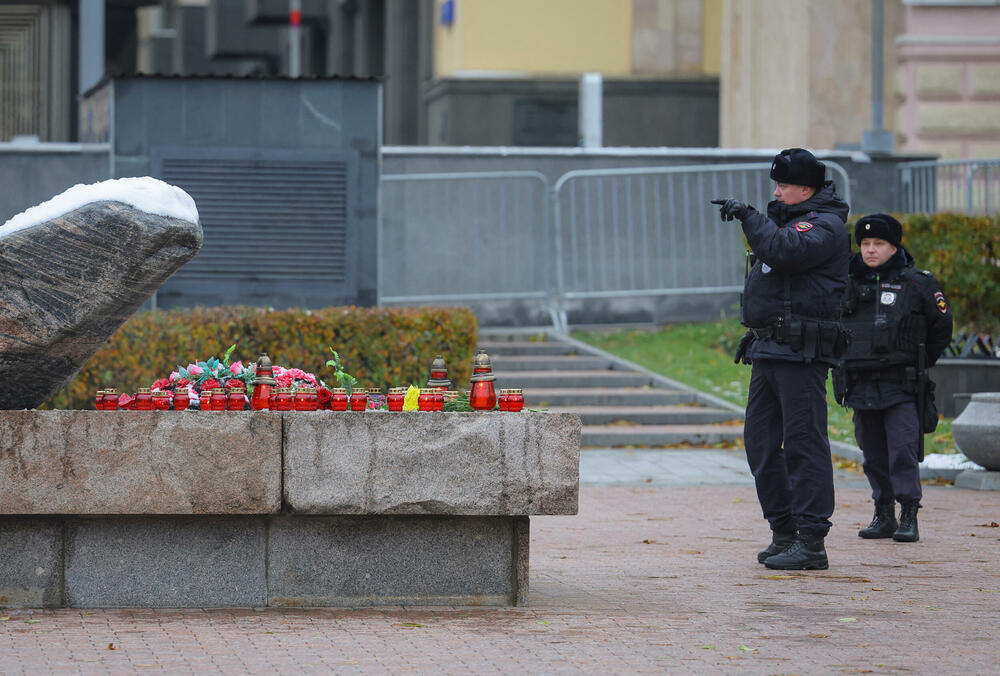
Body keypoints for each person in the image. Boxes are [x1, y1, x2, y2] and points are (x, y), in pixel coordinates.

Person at [711, 147, 850, 570]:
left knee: (804, 442)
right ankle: (783, 529)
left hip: (800, 353)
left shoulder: (823, 225)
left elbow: (785, 251)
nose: (776, 191)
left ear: (805, 188)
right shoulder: (785, 221)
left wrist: (750, 216)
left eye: (783, 185)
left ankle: (811, 540)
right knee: (760, 441)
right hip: (771, 348)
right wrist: (756, 333)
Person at [833, 213, 953, 543]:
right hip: (859, 381)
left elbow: (942, 327)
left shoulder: (917, 283)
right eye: (866, 244)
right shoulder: (845, 283)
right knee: (872, 454)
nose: (871, 250)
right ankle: (883, 513)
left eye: (879, 244)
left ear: (893, 247)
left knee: (902, 450)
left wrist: (920, 361)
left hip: (900, 382)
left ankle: (909, 514)